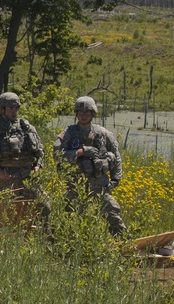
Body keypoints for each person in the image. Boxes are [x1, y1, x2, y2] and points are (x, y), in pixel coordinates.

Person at [53, 95, 127, 237]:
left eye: (87, 112)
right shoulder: (68, 133)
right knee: (71, 218)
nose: (84, 115)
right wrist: (80, 152)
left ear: (93, 113)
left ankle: (124, 244)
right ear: (76, 114)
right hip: (74, 184)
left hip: (99, 184)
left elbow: (116, 156)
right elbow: (57, 155)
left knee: (113, 213)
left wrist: (116, 178)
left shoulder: (104, 134)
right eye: (80, 112)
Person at [0, 91, 51, 230]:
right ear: (3, 109)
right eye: (10, 108)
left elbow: (40, 150)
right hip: (5, 178)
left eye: (16, 107)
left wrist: (38, 166)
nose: (14, 111)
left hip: (27, 177)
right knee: (1, 212)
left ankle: (44, 238)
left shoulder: (26, 127)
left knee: (44, 206)